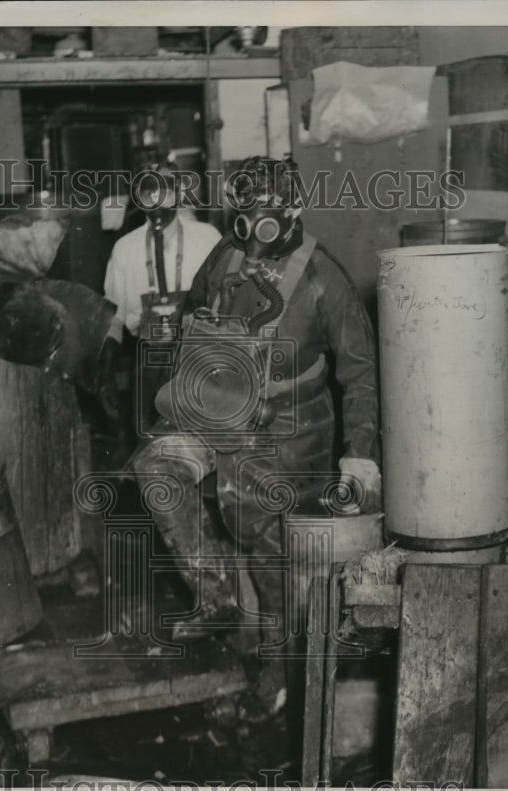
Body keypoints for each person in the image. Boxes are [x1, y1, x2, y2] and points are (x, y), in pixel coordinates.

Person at [130, 156, 381, 719]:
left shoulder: (324, 279)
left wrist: (359, 456)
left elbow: (361, 374)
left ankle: (278, 665)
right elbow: (196, 309)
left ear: (292, 213)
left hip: (287, 429)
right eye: (241, 223)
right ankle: (214, 591)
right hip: (219, 409)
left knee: (271, 552)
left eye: (262, 223)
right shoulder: (226, 255)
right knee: (156, 469)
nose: (251, 238)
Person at [101, 162, 222, 435]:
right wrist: (105, 377)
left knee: (202, 442)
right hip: (149, 359)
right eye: (149, 189)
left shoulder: (208, 239)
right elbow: (113, 319)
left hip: (198, 357)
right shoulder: (125, 249)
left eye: (165, 188)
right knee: (150, 444)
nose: (157, 197)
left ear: (179, 192)